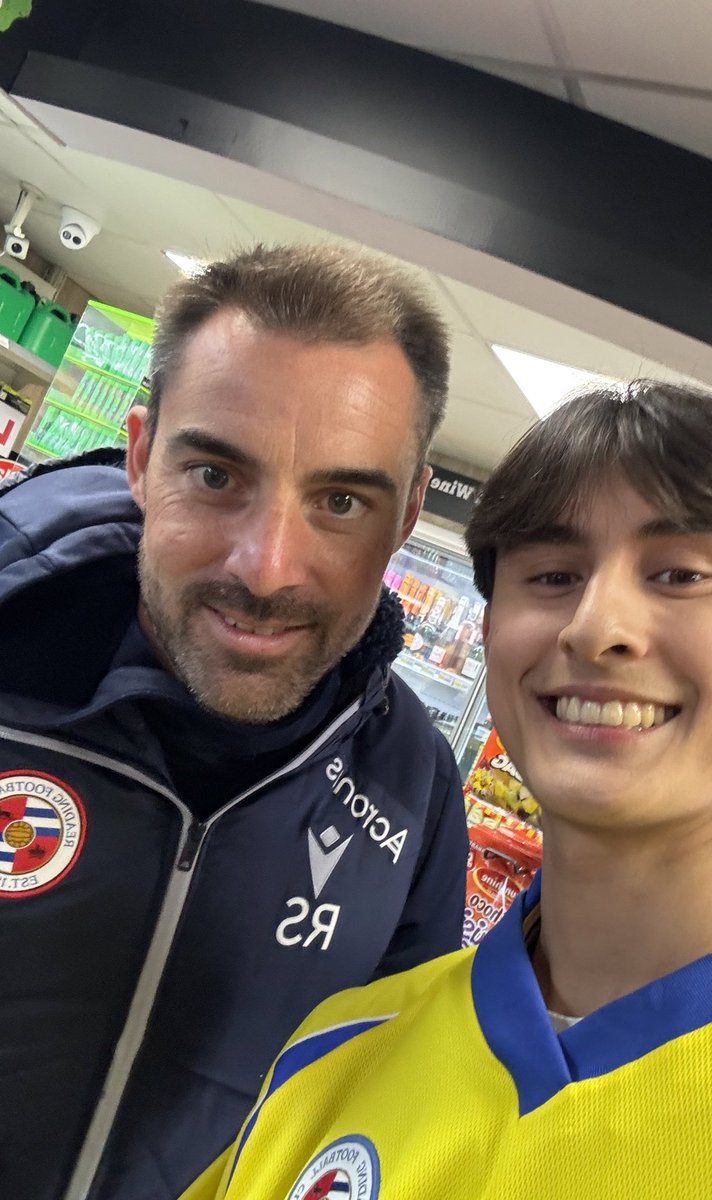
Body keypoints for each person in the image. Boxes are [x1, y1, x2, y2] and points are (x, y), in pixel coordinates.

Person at [0, 244, 469, 1200]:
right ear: (139, 455)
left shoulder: (414, 798)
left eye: (340, 502)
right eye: (215, 476)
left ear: (409, 514)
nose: (266, 568)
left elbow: (364, 1120)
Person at [203, 379, 712, 1200]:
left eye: (683, 574)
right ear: (487, 630)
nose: (595, 625)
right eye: (552, 575)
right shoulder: (334, 1055)